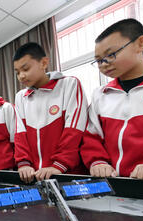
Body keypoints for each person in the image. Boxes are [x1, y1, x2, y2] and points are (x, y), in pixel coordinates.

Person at [80, 18, 143, 180]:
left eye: (110, 55)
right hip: (118, 188)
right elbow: (91, 137)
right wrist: (98, 162)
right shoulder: (101, 94)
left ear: (141, 44)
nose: (103, 64)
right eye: (98, 60)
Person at [13, 42, 88, 183]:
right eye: (17, 72)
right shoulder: (21, 97)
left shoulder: (69, 84)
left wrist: (59, 165)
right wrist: (24, 164)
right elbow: (20, 135)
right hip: (35, 177)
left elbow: (74, 130)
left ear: (44, 62)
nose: (21, 76)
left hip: (67, 175)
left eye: (25, 68)